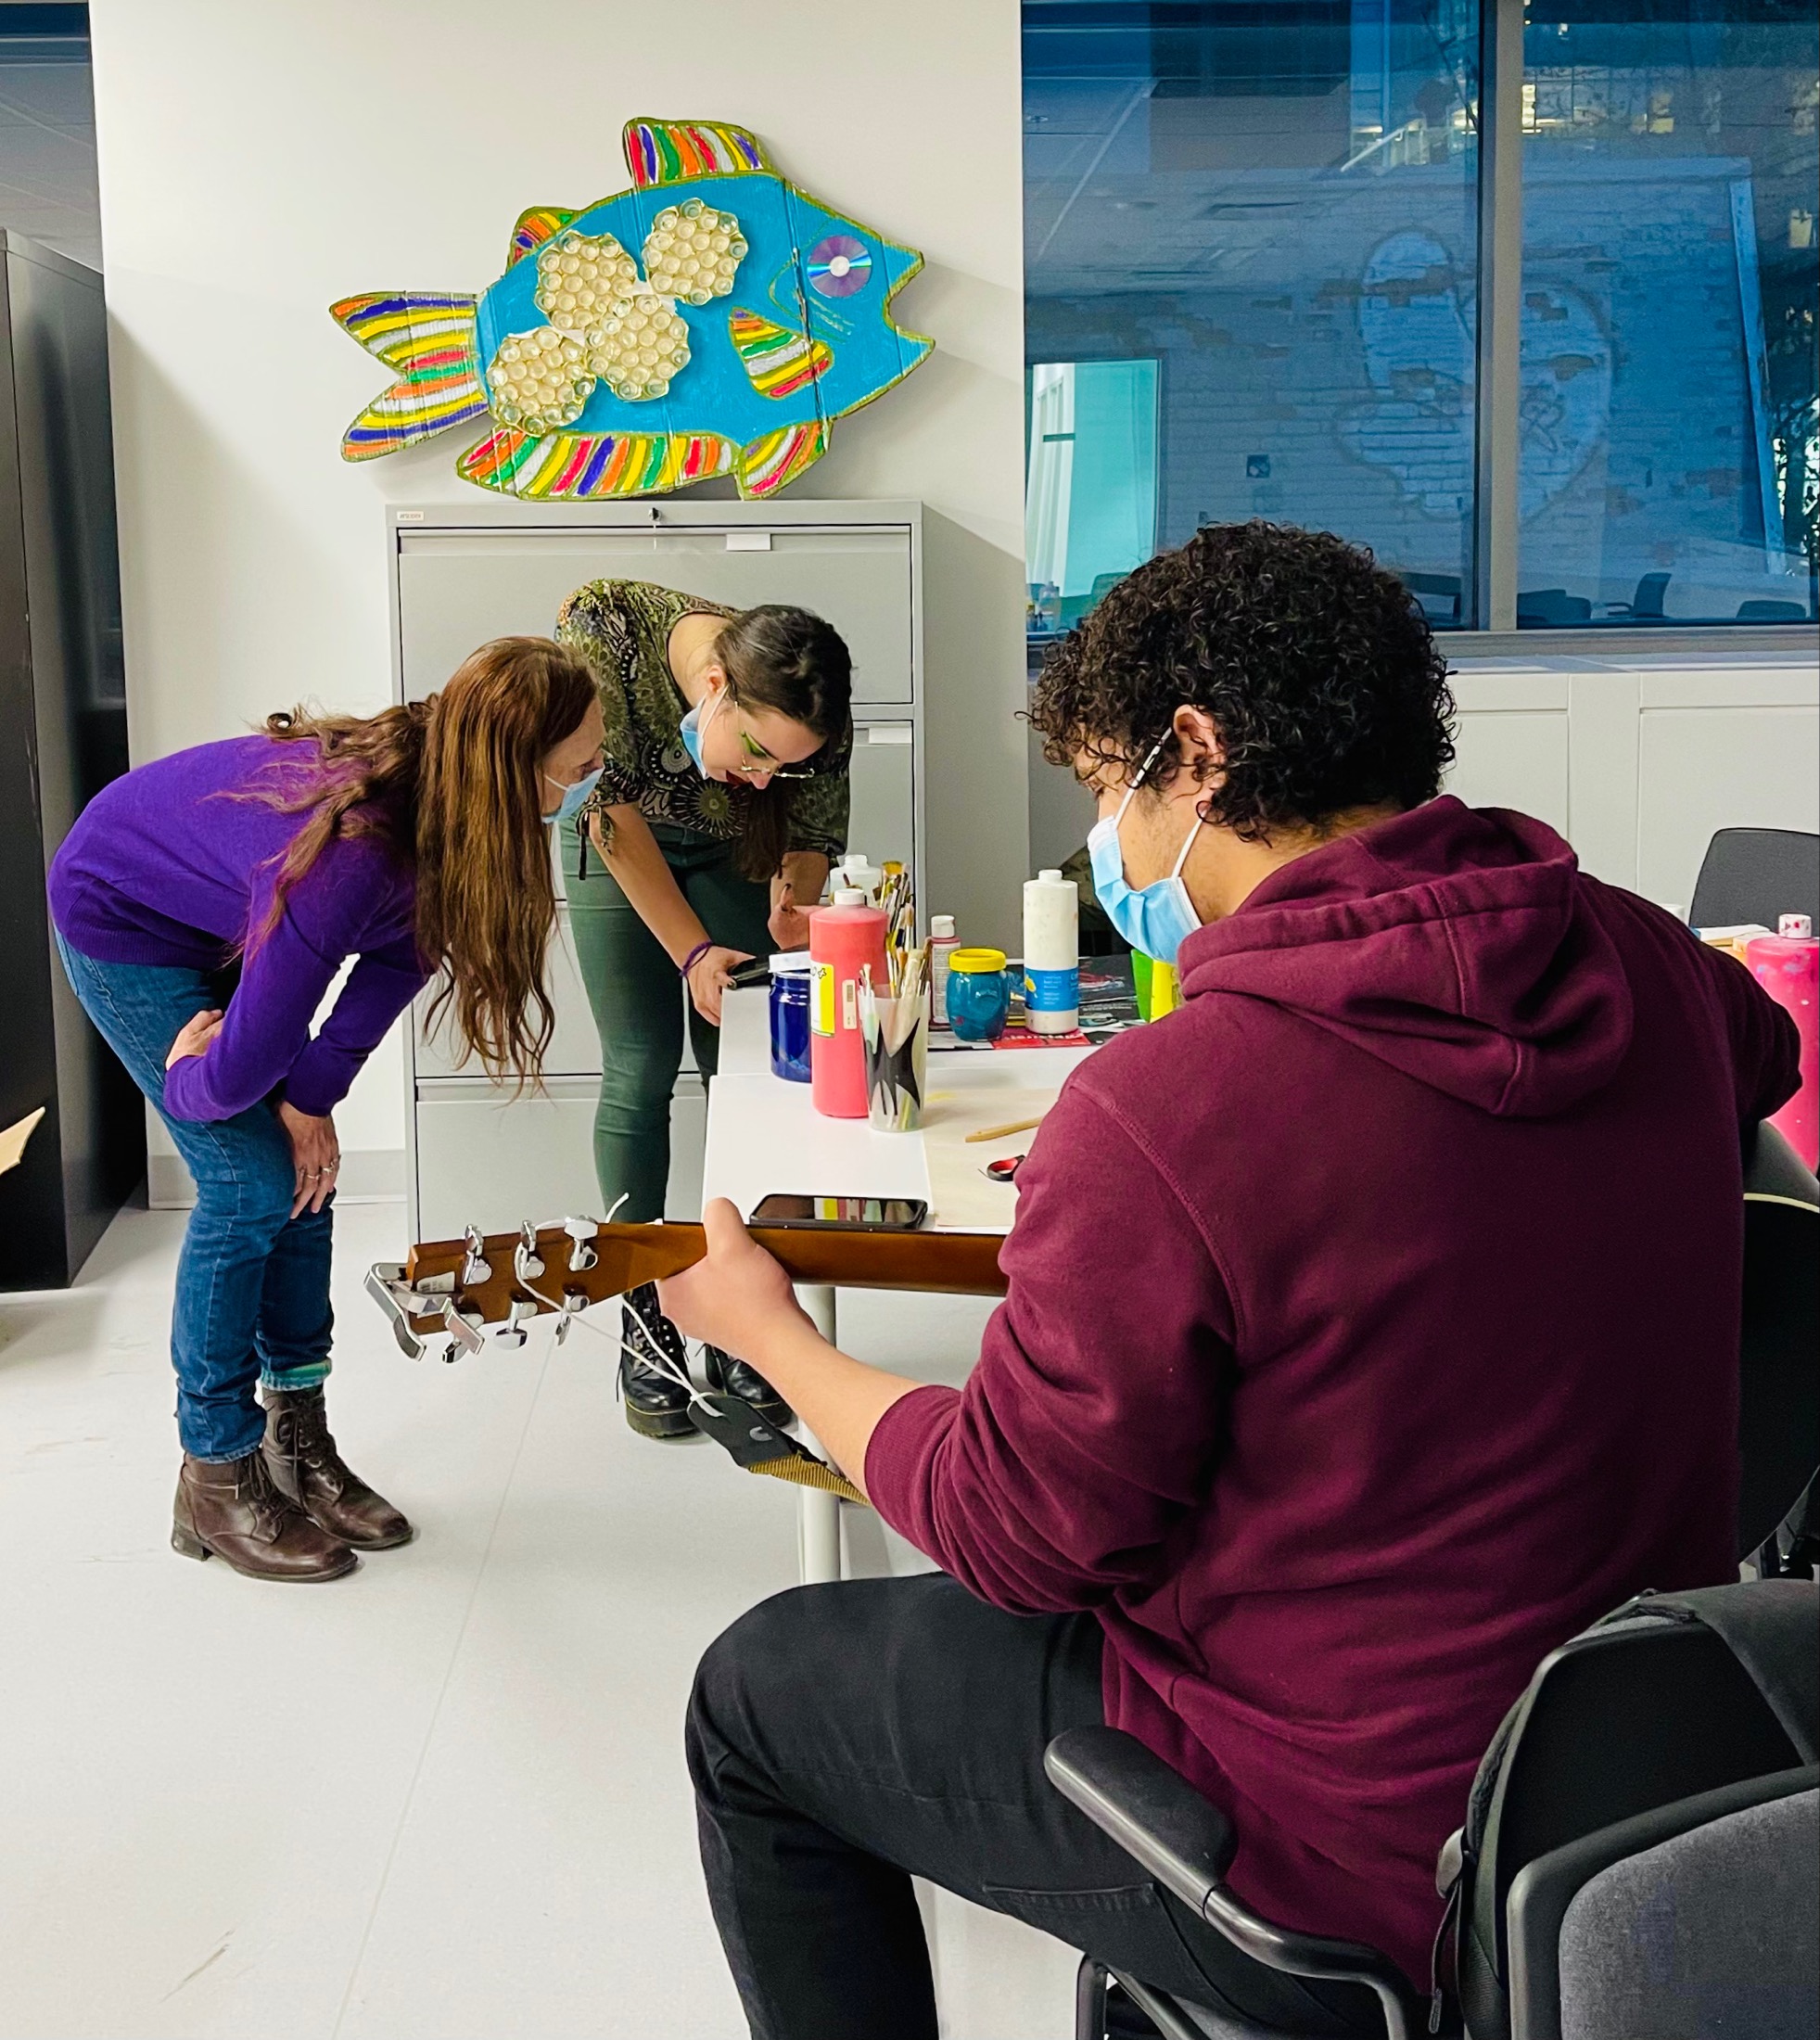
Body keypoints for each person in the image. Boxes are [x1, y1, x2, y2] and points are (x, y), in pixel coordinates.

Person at [655, 522, 1801, 2039]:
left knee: (754, 1697)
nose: (1112, 862)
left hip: (1348, 1849)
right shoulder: (1662, 970)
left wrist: (775, 1344)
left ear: (1190, 758)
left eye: (1105, 805)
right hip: (1641, 1770)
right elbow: (1752, 1075)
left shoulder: (1174, 1106)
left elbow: (1019, 1537)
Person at [48, 638, 605, 1585]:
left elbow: (396, 965)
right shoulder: (355, 853)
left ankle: (293, 1445)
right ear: (517, 767)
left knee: (304, 1167)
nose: (597, 778)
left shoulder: (455, 814)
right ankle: (213, 1476)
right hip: (124, 913)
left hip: (218, 914)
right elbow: (237, 1066)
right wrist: (188, 1082)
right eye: (582, 764)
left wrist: (311, 1101)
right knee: (247, 1177)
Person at [553, 582, 851, 1441]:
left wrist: (793, 903)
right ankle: (639, 1309)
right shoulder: (605, 628)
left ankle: (740, 1307)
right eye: (756, 751)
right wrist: (690, 952)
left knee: (742, 1073)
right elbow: (605, 810)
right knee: (640, 1069)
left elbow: (811, 832)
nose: (763, 776)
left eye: (781, 767)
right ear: (715, 685)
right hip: (616, 845)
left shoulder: (812, 698)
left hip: (731, 851)